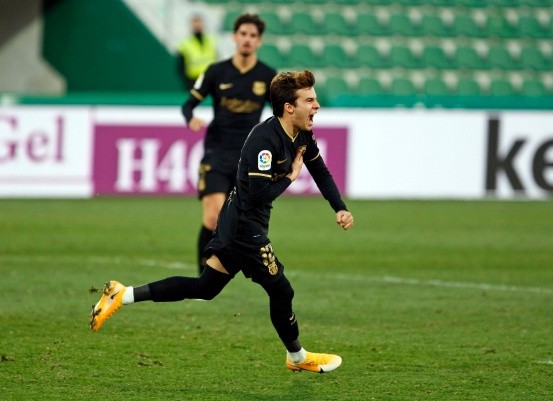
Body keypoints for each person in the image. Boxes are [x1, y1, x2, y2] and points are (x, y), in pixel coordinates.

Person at [90, 69, 355, 374]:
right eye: (310, 100)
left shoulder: (302, 136)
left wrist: (339, 207)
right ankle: (297, 357)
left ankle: (123, 294)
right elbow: (258, 195)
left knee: (206, 287)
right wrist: (292, 177)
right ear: (289, 107)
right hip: (245, 227)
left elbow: (320, 170)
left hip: (239, 221)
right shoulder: (264, 141)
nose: (317, 105)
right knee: (282, 291)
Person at [181, 13, 277, 275]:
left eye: (253, 36)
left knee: (238, 223)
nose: (247, 39)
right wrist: (191, 118)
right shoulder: (216, 72)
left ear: (259, 41)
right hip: (217, 153)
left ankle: (220, 272)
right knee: (213, 217)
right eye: (243, 34)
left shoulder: (268, 76)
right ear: (235, 37)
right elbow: (188, 104)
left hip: (248, 159)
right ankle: (202, 276)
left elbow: (283, 112)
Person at [177, 14, 218, 90]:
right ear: (191, 25)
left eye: (199, 23)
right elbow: (180, 65)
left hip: (210, 79)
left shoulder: (211, 40)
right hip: (193, 80)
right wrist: (186, 81)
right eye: (195, 23)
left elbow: (216, 59)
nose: (197, 26)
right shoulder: (185, 43)